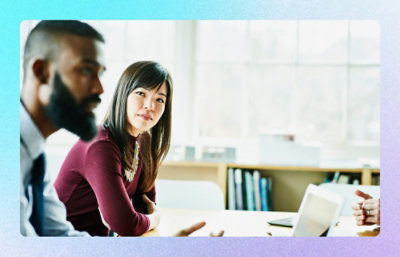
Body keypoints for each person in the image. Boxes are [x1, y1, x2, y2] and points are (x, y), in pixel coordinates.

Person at [54, 61, 223, 237]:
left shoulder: (143, 141)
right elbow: (126, 224)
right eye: (141, 93)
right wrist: (154, 219)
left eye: (159, 99)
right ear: (123, 95)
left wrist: (141, 218)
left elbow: (144, 206)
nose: (150, 106)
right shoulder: (100, 145)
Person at [20, 20, 106, 236]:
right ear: (42, 72)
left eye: (100, 73)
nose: (99, 88)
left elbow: (59, 236)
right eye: (86, 70)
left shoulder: (34, 155)